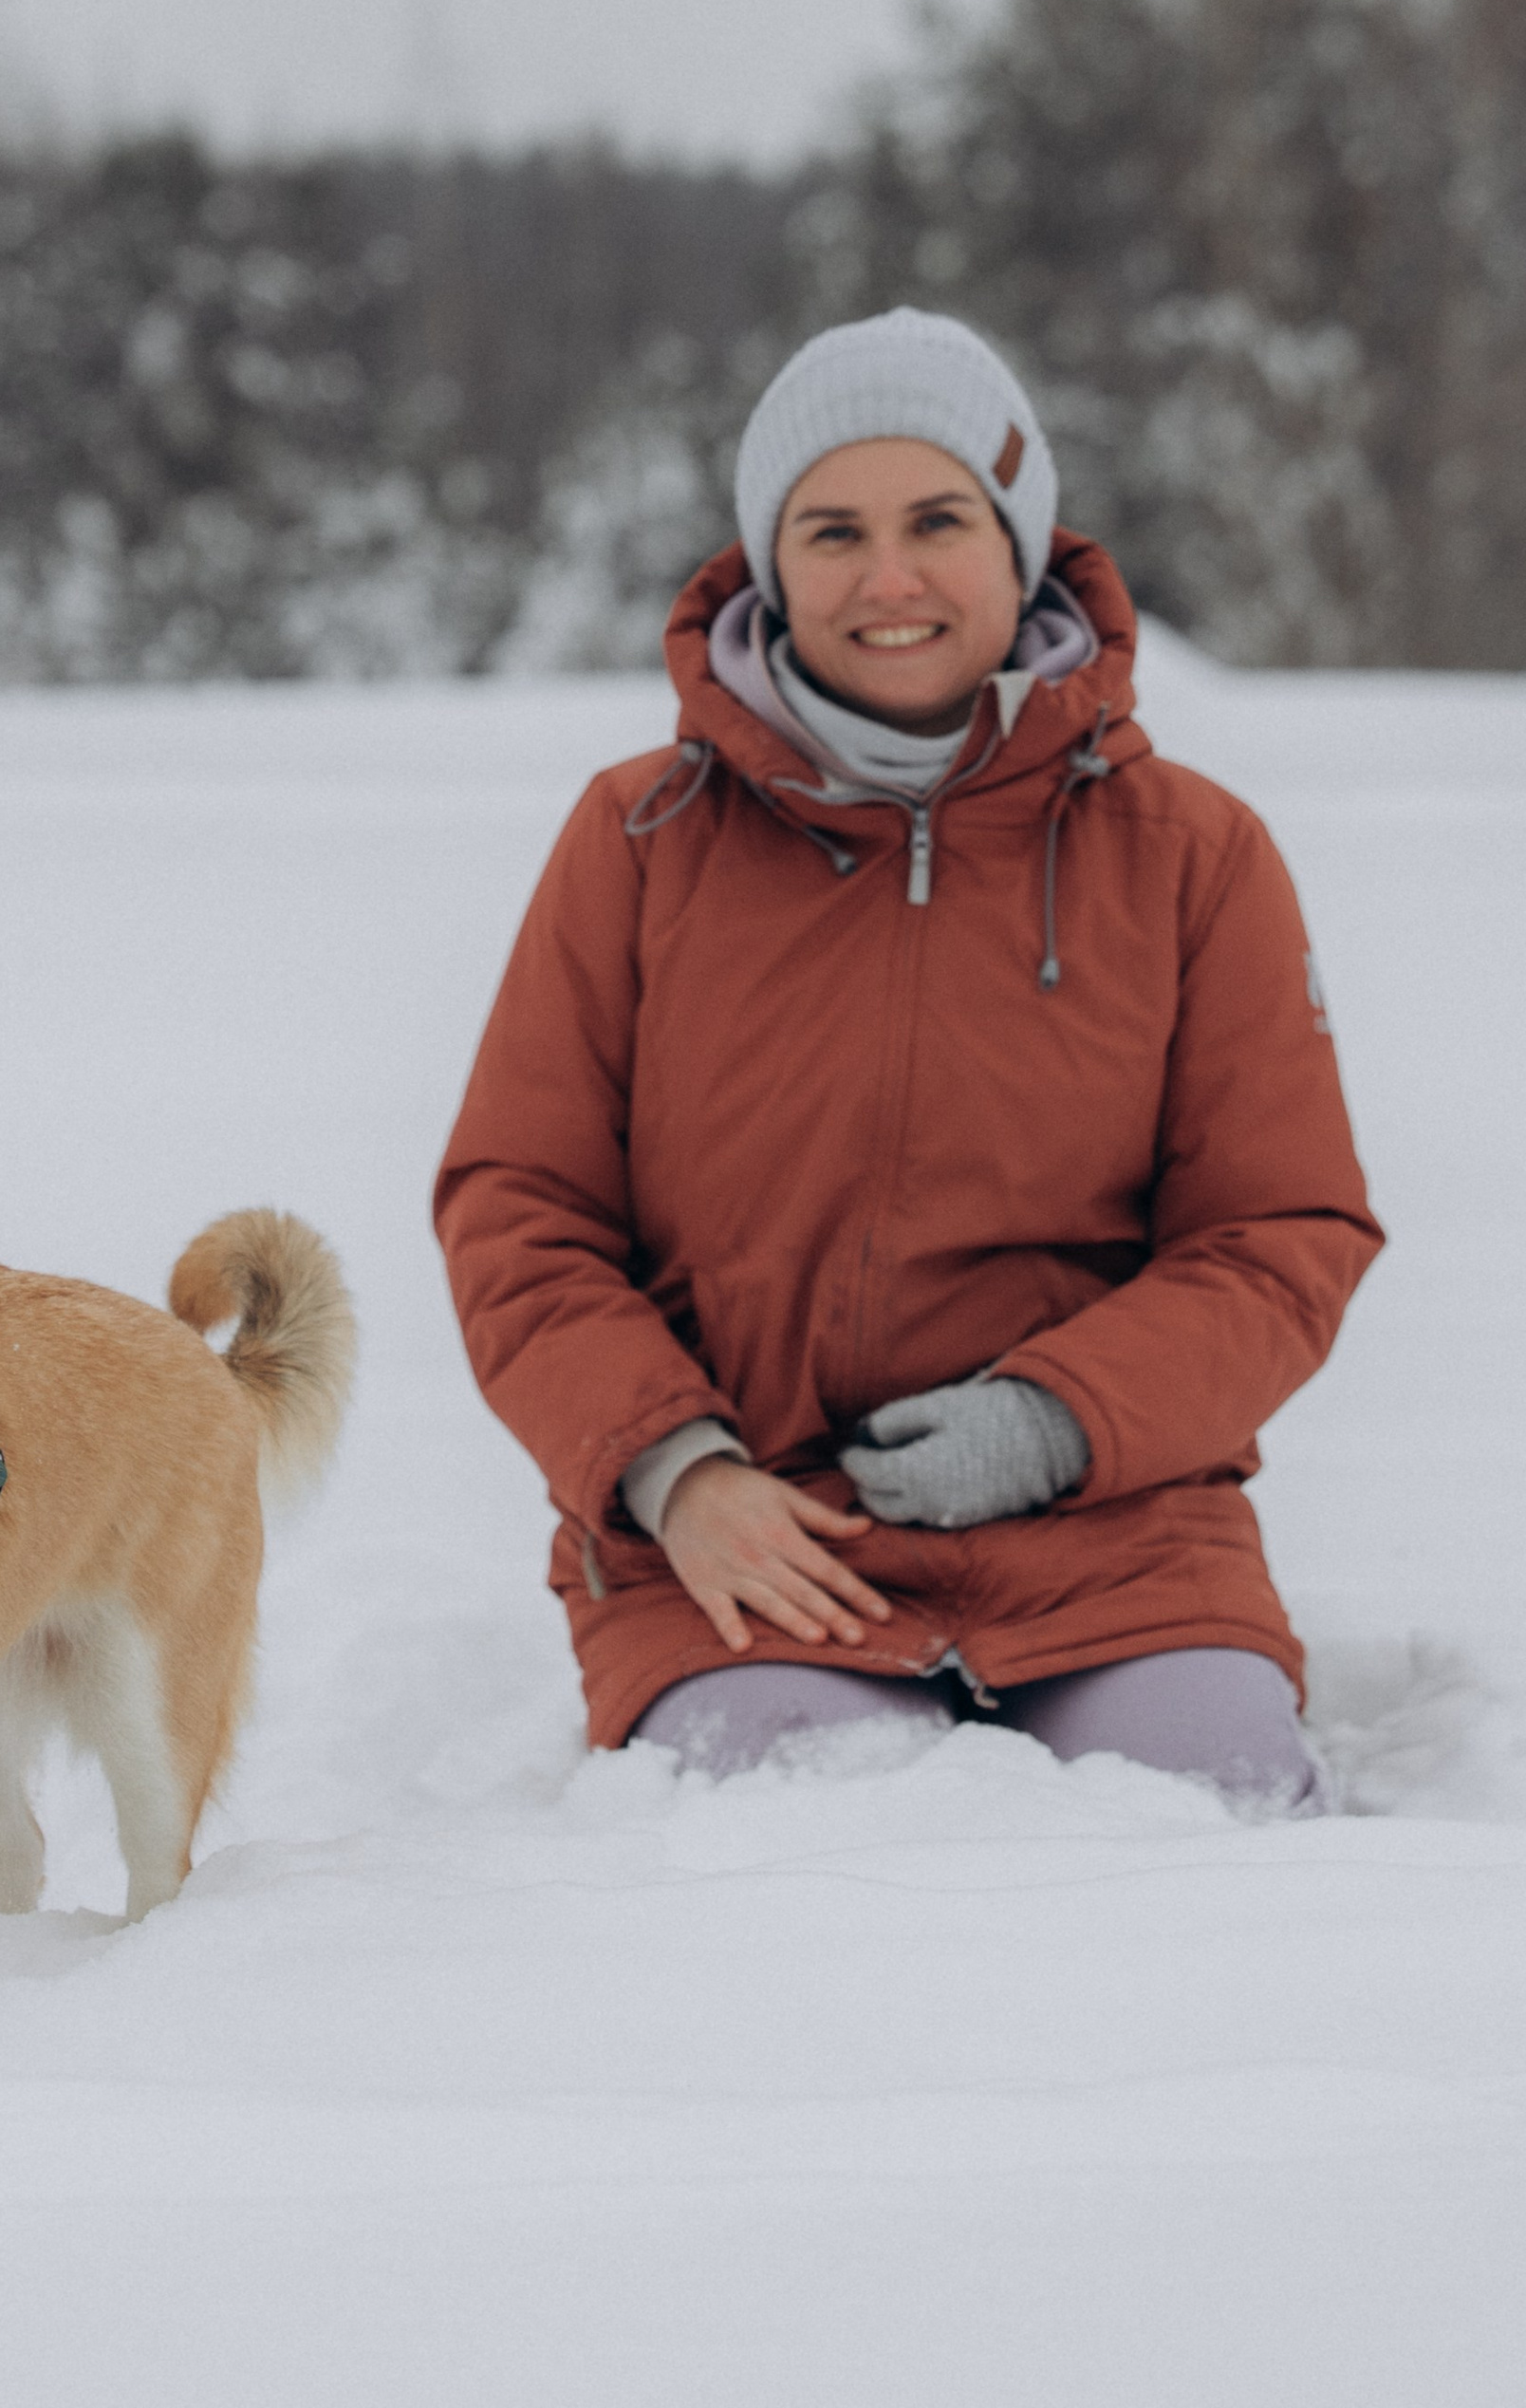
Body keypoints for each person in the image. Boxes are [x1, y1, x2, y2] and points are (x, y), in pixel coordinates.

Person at [435, 308, 1382, 1810]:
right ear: (768, 563)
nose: (888, 577)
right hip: (756, 1545)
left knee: (1218, 1833)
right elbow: (518, 1208)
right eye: (832, 531)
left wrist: (1056, 1422)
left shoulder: (1195, 853)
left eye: (940, 518)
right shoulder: (637, 838)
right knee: (792, 1860)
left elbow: (1281, 1233)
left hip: (1118, 1531)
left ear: (1019, 546)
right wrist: (677, 1474)